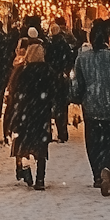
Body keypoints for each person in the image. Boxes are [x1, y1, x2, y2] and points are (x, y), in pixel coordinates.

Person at [70, 19, 110, 196]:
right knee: (109, 144)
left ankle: (98, 174)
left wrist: (75, 98)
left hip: (92, 108)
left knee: (93, 143)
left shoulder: (82, 59)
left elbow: (77, 86)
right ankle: (106, 168)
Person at [3, 42, 52, 189]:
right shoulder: (48, 72)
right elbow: (55, 92)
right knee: (41, 147)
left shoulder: (22, 72)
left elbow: (15, 92)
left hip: (25, 113)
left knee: (23, 145)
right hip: (42, 115)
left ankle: (25, 170)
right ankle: (40, 179)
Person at [45, 16, 76, 144]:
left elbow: (47, 60)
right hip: (61, 79)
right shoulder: (64, 44)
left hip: (51, 79)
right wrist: (65, 71)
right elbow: (70, 59)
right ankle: (63, 132)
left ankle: (49, 132)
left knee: (49, 106)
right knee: (62, 107)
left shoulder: (49, 45)